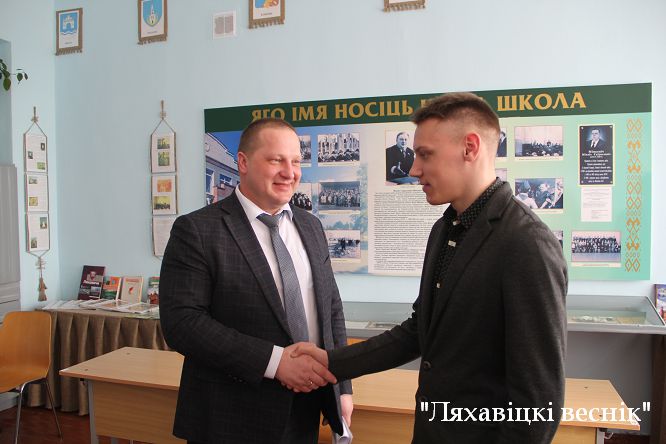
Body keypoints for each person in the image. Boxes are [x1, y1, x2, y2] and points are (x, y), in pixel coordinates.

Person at [293, 92, 567, 443]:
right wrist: (331, 363)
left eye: (425, 154)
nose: (413, 170)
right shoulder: (445, 228)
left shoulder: (526, 243)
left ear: (470, 148)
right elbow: (421, 331)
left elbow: (539, 402)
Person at [159, 118, 352, 444]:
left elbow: (331, 308)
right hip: (231, 417)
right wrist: (276, 363)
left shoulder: (312, 227)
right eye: (276, 160)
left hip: (306, 409)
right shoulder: (198, 230)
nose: (289, 173)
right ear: (243, 162)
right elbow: (183, 323)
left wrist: (342, 387)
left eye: (295, 162)